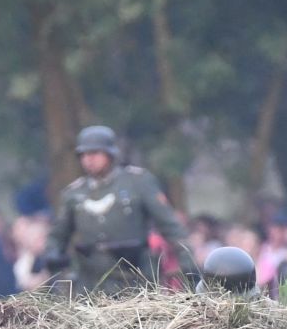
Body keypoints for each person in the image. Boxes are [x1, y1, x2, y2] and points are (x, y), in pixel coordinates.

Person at [44, 125, 193, 293]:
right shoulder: (73, 193)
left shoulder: (138, 182)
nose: (88, 160)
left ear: (110, 154)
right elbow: (58, 236)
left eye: (94, 153)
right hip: (90, 283)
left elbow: (171, 226)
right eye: (84, 155)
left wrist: (187, 261)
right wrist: (53, 256)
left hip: (136, 278)